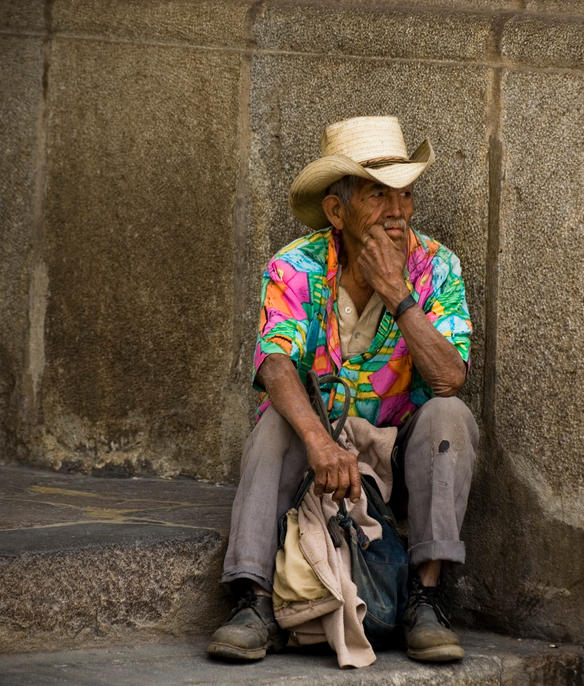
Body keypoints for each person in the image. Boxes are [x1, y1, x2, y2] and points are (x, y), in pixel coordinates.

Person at [206, 116, 478, 664]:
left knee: (451, 416)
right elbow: (274, 361)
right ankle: (251, 598)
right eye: (379, 196)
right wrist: (319, 441)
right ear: (337, 210)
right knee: (274, 422)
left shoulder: (437, 267)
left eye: (405, 196)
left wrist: (399, 296)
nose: (397, 212)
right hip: (317, 449)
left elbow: (450, 376)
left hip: (399, 454)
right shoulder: (295, 266)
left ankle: (425, 597)